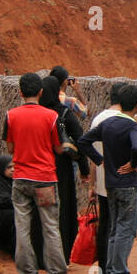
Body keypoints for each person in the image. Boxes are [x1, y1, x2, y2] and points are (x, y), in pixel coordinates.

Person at [3, 72, 68, 274]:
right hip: (45, 179)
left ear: (20, 92)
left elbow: (10, 147)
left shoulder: (11, 116)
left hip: (21, 177)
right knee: (50, 227)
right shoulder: (51, 117)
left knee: (22, 226)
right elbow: (59, 147)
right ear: (40, 92)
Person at [79, 84, 137, 274]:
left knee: (115, 229)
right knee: (126, 229)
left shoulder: (107, 123)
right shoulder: (132, 125)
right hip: (128, 185)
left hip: (110, 183)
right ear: (136, 105)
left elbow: (83, 141)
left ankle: (110, 272)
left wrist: (99, 160)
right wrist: (133, 164)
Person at [40, 75, 90, 258]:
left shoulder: (38, 113)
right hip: (62, 166)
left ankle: (41, 253)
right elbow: (81, 141)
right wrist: (84, 169)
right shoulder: (64, 113)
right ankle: (62, 251)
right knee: (64, 208)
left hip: (39, 168)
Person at [89, 83, 129, 274]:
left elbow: (91, 150)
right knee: (119, 225)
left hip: (102, 181)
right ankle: (115, 269)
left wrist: (92, 183)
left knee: (105, 224)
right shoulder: (125, 121)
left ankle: (103, 267)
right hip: (121, 181)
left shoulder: (98, 119)